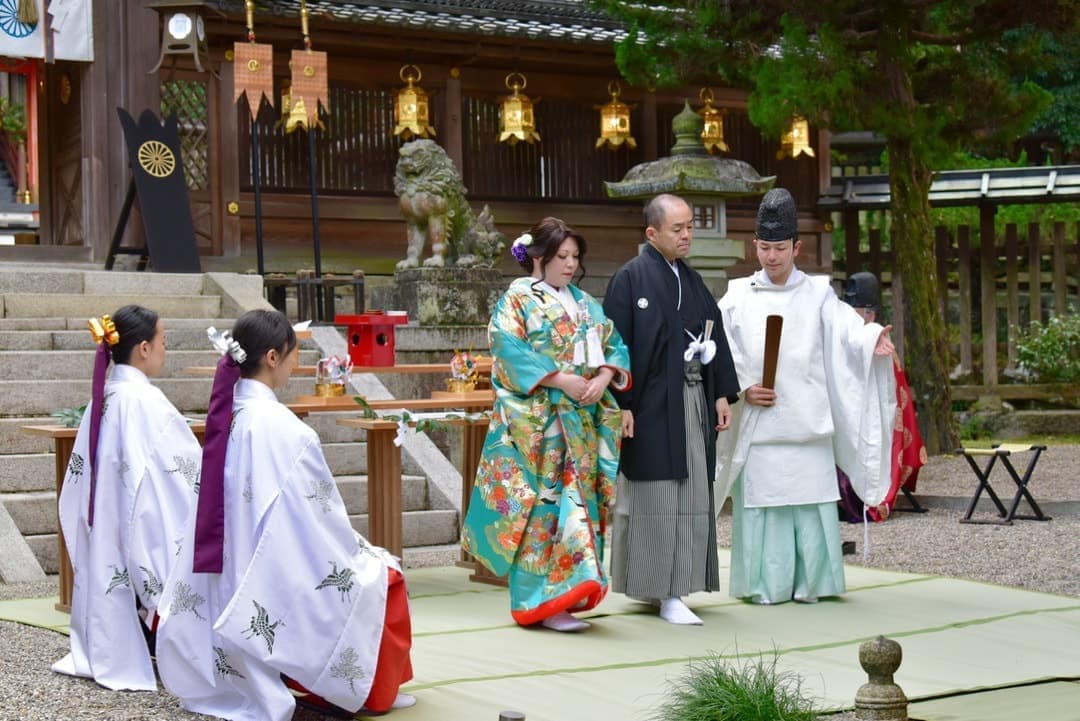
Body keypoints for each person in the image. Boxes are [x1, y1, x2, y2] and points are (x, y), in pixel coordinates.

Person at [156, 309, 414, 721]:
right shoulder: (286, 430)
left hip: (230, 562)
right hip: (271, 564)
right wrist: (357, 551)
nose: (297, 364)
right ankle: (371, 690)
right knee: (382, 576)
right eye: (294, 355)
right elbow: (323, 520)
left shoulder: (227, 415)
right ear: (273, 357)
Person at [716, 188, 897, 605]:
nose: (772, 257)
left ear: (796, 246)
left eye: (780, 248)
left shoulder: (818, 293)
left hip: (807, 418)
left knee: (812, 502)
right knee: (765, 505)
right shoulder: (738, 295)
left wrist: (871, 339)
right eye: (764, 248)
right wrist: (743, 387)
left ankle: (814, 584)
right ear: (754, 246)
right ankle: (764, 586)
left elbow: (846, 332)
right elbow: (723, 347)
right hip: (762, 419)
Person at [462, 217, 631, 633]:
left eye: (575, 257)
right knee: (545, 509)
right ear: (539, 257)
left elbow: (615, 344)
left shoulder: (587, 303)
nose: (571, 264)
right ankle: (537, 602)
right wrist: (561, 380)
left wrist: (604, 378)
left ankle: (570, 595)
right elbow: (507, 348)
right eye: (562, 256)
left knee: (581, 507)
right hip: (543, 422)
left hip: (583, 422)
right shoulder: (517, 300)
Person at [602, 193, 740, 626]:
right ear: (652, 233)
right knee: (654, 493)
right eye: (677, 229)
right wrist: (621, 403)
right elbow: (615, 347)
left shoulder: (692, 280)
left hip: (692, 399)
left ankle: (676, 587)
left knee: (692, 488)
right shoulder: (630, 280)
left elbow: (713, 337)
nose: (686, 235)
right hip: (649, 404)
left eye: (689, 228)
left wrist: (719, 392)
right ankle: (657, 589)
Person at [51, 305, 201, 690]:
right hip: (137, 517)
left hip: (110, 519)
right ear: (144, 349)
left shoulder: (108, 396)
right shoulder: (144, 402)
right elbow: (184, 473)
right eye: (163, 341)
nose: (166, 349)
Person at [836, 272, 928, 523]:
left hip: (873, 414)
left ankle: (866, 500)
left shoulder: (876, 339)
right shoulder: (840, 336)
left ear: (871, 314)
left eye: (859, 312)